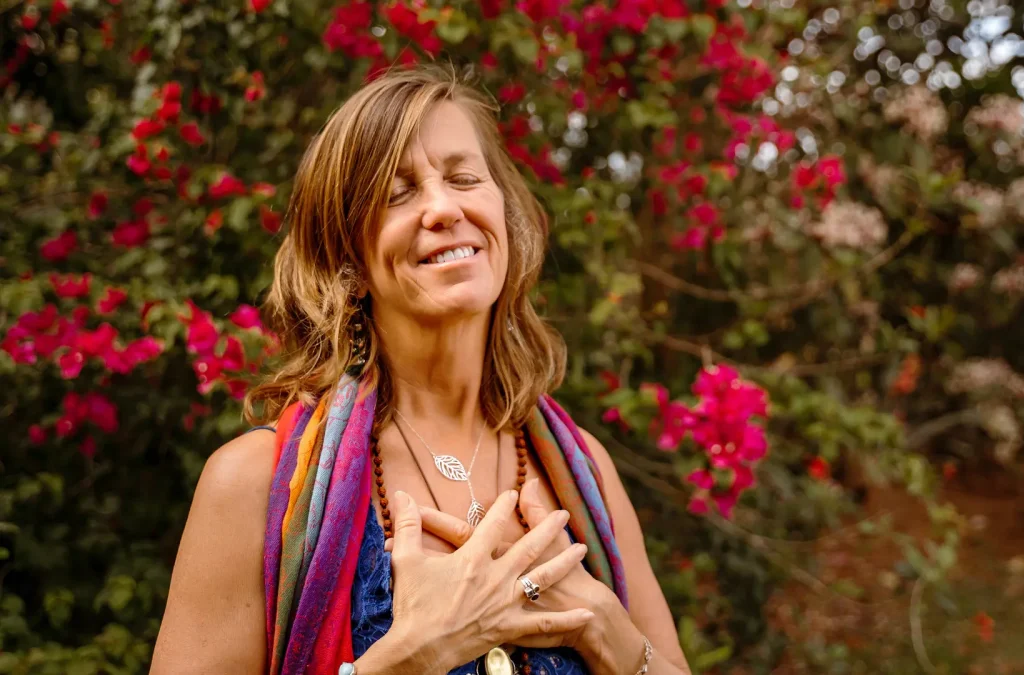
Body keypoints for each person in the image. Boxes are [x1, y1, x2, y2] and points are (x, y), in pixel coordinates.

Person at [150, 64, 689, 675]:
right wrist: (412, 656)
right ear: (346, 259)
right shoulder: (247, 486)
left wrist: (602, 623)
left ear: (504, 218)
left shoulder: (581, 469)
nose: (442, 208)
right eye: (397, 194)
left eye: (463, 177)